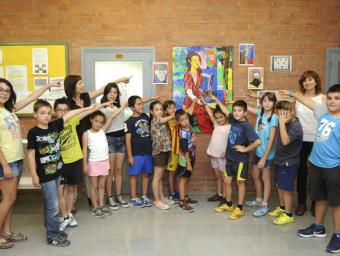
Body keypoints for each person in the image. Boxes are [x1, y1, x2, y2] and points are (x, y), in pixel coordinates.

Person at [0, 78, 60, 249]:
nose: (4, 93)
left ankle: (7, 232)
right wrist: (4, 165)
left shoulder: (8, 110)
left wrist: (47, 86)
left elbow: (30, 98)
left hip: (16, 159)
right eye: (1, 89)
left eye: (7, 90)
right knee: (8, 199)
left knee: (10, 199)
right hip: (7, 162)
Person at [280, 85, 340, 253]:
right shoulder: (323, 112)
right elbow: (306, 100)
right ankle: (318, 227)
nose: (332, 101)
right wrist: (291, 92)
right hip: (316, 165)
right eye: (329, 98)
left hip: (334, 168)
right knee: (319, 198)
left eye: (337, 98)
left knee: (336, 203)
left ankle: (338, 235)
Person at [26, 99, 93, 246]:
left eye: (49, 113)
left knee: (51, 204)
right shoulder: (33, 132)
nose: (46, 116)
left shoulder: (55, 125)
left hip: (57, 172)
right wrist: (34, 174)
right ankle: (52, 236)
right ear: (35, 114)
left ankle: (53, 229)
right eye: (42, 113)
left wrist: (86, 108)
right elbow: (30, 154)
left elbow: (70, 115)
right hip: (45, 175)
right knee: (53, 206)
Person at [64, 75, 130, 207]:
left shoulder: (86, 96)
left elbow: (103, 89)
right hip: (78, 137)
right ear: (72, 86)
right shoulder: (68, 103)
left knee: (92, 170)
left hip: (94, 136)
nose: (83, 85)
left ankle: (93, 198)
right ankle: (72, 203)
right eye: (80, 83)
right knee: (82, 170)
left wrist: (119, 80)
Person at [55, 98, 111, 230]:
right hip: (61, 162)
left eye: (65, 110)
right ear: (55, 111)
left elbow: (89, 110)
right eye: (59, 110)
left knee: (71, 189)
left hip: (75, 160)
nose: (63, 113)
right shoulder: (53, 126)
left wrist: (102, 105)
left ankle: (69, 215)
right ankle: (63, 216)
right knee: (60, 191)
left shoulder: (72, 121)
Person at [214, 97, 261, 220]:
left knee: (240, 183)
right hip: (230, 158)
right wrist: (215, 99)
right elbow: (225, 110)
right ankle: (229, 204)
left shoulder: (246, 126)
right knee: (227, 181)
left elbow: (258, 141)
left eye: (239, 110)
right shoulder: (234, 121)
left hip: (240, 160)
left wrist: (245, 149)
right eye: (235, 110)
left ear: (245, 112)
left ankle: (239, 208)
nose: (236, 113)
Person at [83, 108, 126, 218]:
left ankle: (102, 205)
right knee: (94, 186)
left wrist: (123, 106)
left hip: (104, 161)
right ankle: (95, 207)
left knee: (102, 185)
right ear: (91, 120)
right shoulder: (86, 134)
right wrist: (85, 164)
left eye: (101, 122)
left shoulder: (103, 131)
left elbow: (111, 116)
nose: (99, 124)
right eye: (96, 121)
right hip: (93, 163)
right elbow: (84, 150)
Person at [294, 71, 325, 216]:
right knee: (301, 172)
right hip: (301, 140)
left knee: (315, 174)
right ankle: (301, 203)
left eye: (310, 80)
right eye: (304, 80)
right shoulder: (298, 98)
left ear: (316, 82)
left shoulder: (323, 98)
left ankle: (314, 204)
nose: (307, 82)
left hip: (318, 141)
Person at [267, 101, 302, 225]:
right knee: (279, 186)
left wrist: (281, 123)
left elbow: (286, 141)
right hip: (280, 160)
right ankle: (282, 208)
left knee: (286, 189)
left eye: (285, 114)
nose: (282, 116)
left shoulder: (296, 126)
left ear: (292, 112)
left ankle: (288, 214)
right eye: (279, 114)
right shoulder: (285, 122)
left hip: (289, 162)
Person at [244, 92, 278, 217]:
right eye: (264, 101)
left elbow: (272, 140)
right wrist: (234, 103)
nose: (267, 103)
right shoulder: (260, 113)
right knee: (254, 174)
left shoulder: (274, 117)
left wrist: (264, 158)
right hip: (257, 151)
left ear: (274, 103)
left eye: (269, 101)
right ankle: (258, 200)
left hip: (267, 154)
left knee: (265, 178)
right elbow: (246, 107)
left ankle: (265, 205)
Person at [100, 83, 129, 209]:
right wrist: (123, 107)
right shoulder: (102, 108)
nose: (113, 94)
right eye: (110, 92)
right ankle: (109, 197)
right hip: (109, 140)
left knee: (118, 170)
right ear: (106, 93)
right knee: (110, 171)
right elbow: (112, 116)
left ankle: (119, 195)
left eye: (115, 92)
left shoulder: (119, 106)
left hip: (121, 139)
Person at [163, 99, 197, 204]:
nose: (172, 109)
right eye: (169, 108)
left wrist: (194, 102)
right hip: (174, 150)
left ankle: (181, 194)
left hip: (183, 152)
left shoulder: (181, 118)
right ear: (165, 111)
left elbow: (189, 113)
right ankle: (172, 193)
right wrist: (174, 115)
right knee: (172, 172)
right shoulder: (169, 120)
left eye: (173, 107)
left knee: (181, 174)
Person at [201, 94, 231, 205]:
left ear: (226, 117)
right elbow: (209, 111)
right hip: (212, 155)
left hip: (222, 156)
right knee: (218, 176)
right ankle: (219, 194)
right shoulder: (216, 124)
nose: (218, 120)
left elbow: (232, 142)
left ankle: (225, 197)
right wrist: (204, 101)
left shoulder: (230, 127)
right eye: (217, 118)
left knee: (224, 178)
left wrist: (227, 152)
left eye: (221, 117)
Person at [125, 96, 154, 208]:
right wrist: (130, 156)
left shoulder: (146, 116)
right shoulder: (128, 122)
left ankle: (144, 196)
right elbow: (127, 140)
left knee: (146, 174)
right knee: (133, 175)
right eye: (138, 104)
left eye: (142, 104)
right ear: (132, 107)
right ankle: (133, 198)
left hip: (147, 152)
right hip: (136, 154)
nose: (141, 106)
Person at [149, 101, 174, 210]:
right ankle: (156, 200)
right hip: (159, 152)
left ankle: (161, 197)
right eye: (156, 110)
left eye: (160, 109)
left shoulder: (161, 120)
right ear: (151, 112)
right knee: (157, 177)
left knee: (160, 177)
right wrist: (173, 114)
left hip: (165, 150)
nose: (159, 112)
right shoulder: (156, 120)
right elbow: (164, 119)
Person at [182, 52, 213, 133]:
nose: (197, 62)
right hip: (190, 101)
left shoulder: (201, 74)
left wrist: (208, 91)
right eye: (195, 60)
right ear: (189, 61)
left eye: (198, 60)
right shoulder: (187, 75)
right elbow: (189, 92)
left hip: (201, 99)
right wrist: (198, 101)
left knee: (211, 111)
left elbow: (204, 88)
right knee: (202, 114)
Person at [175, 109, 197, 212]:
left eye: (186, 118)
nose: (185, 121)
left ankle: (186, 197)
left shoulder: (189, 126)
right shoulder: (183, 133)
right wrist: (188, 164)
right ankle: (182, 201)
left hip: (191, 157)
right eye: (182, 120)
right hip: (185, 159)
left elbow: (190, 112)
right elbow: (185, 150)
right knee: (183, 180)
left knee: (187, 178)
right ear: (178, 122)